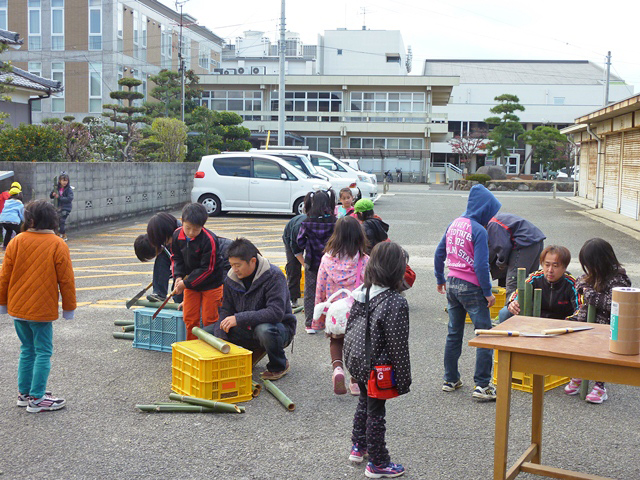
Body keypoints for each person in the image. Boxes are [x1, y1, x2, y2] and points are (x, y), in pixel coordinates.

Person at [0, 200, 76, 413]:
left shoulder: (16, 241)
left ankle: (25, 394)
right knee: (43, 351)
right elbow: (66, 280)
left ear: (29, 220)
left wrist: (2, 303)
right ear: (53, 219)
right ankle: (37, 398)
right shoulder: (57, 244)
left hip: (17, 307)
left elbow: (4, 275)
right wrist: (69, 308)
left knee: (27, 349)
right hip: (41, 310)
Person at [344, 242, 411, 478]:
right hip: (377, 368)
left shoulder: (364, 291)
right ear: (397, 270)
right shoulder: (395, 301)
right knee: (376, 413)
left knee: (364, 402)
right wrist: (403, 380)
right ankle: (378, 462)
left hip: (358, 361)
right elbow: (398, 345)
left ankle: (358, 446)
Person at [434, 184, 501, 401]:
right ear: (483, 208)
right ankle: (482, 385)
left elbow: (439, 253)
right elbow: (481, 266)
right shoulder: (478, 230)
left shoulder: (453, 224)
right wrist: (488, 292)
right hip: (472, 287)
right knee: (484, 334)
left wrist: (440, 278)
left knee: (454, 333)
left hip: (452, 283)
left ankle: (450, 379)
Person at [206, 238, 296, 380]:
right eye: (231, 265)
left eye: (238, 265)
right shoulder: (231, 278)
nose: (234, 269)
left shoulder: (274, 276)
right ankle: (252, 351)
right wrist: (221, 337)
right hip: (246, 327)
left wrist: (239, 318)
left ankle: (279, 365)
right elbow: (226, 309)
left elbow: (276, 313)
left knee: (264, 330)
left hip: (278, 327)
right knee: (208, 333)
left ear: (253, 261)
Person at [564, 238, 631, 404]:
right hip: (586, 320)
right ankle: (579, 374)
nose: (589, 269)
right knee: (580, 347)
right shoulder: (594, 274)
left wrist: (590, 295)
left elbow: (614, 303)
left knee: (600, 354)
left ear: (601, 262)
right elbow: (580, 279)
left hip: (606, 325)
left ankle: (600, 386)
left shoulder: (618, 279)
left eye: (590, 264)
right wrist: (585, 287)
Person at [314, 216, 368, 395]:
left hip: (335, 311)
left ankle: (337, 369)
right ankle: (355, 382)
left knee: (336, 341)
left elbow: (320, 286)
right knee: (357, 347)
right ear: (359, 236)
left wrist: (318, 316)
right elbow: (370, 287)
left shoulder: (327, 260)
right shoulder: (363, 260)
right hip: (357, 312)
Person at [172, 203, 225, 340]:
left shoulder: (209, 240)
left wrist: (185, 282)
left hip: (211, 284)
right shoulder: (177, 235)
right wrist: (178, 277)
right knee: (189, 317)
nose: (190, 233)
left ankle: (210, 349)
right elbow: (176, 258)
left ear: (203, 226)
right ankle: (192, 346)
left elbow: (208, 269)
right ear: (182, 221)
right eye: (188, 228)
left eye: (195, 230)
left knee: (210, 319)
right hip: (190, 284)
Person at [498, 245, 580, 323]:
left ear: (564, 267)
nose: (550, 270)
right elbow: (517, 294)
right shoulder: (535, 278)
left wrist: (565, 322)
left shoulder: (572, 284)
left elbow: (580, 310)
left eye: (555, 266)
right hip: (536, 319)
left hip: (561, 323)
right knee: (505, 312)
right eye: (547, 265)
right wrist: (513, 303)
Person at [297, 190, 336, 333]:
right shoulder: (334, 221)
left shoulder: (307, 222)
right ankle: (329, 321)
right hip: (331, 262)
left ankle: (309, 324)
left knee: (310, 291)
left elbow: (299, 242)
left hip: (312, 261)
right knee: (330, 291)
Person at [486, 213, 546, 298]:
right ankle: (528, 308)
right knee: (529, 281)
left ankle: (510, 309)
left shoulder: (492, 225)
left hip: (525, 243)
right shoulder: (494, 221)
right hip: (536, 241)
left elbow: (503, 247)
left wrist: (501, 263)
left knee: (514, 283)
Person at [282, 193, 312, 309]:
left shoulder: (319, 226)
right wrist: (305, 264)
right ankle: (292, 298)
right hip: (289, 237)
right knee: (294, 267)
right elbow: (296, 251)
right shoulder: (297, 228)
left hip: (307, 242)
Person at [49, 172, 73, 241]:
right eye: (63, 180)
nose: (65, 182)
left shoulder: (69, 189)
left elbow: (69, 199)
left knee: (62, 220)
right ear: (60, 181)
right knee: (57, 221)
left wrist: (59, 197)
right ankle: (59, 234)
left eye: (66, 180)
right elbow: (51, 196)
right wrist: (53, 194)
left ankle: (63, 234)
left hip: (66, 208)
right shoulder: (57, 188)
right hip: (58, 207)